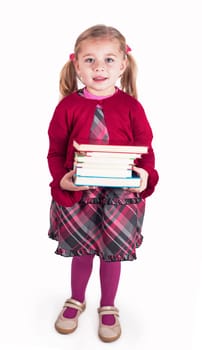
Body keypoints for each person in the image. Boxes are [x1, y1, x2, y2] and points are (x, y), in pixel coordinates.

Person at [47, 24, 159, 343]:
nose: (100, 67)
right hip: (79, 195)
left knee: (111, 254)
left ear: (123, 65)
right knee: (83, 252)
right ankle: (76, 299)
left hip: (120, 197)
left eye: (109, 60)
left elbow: (146, 151)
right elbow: (55, 151)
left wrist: (145, 175)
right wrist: (62, 179)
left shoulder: (132, 108)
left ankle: (108, 305)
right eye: (90, 60)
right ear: (77, 65)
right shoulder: (67, 107)